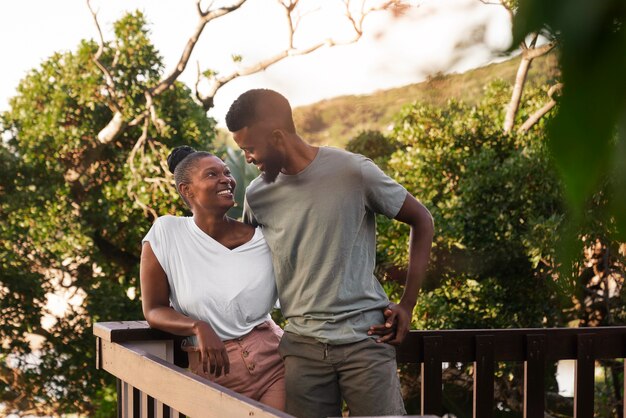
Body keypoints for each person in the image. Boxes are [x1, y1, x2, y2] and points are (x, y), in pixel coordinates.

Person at [225, 89, 434, 418]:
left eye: (250, 148)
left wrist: (407, 303)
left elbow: (422, 219)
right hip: (302, 348)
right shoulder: (257, 195)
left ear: (277, 137)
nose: (248, 158)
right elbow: (249, 263)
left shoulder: (353, 171)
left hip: (365, 340)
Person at [139, 146, 285, 410]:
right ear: (186, 190)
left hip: (275, 363)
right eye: (212, 174)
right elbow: (153, 309)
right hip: (213, 373)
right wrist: (198, 326)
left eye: (227, 173)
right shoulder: (167, 233)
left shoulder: (263, 239)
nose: (226, 179)